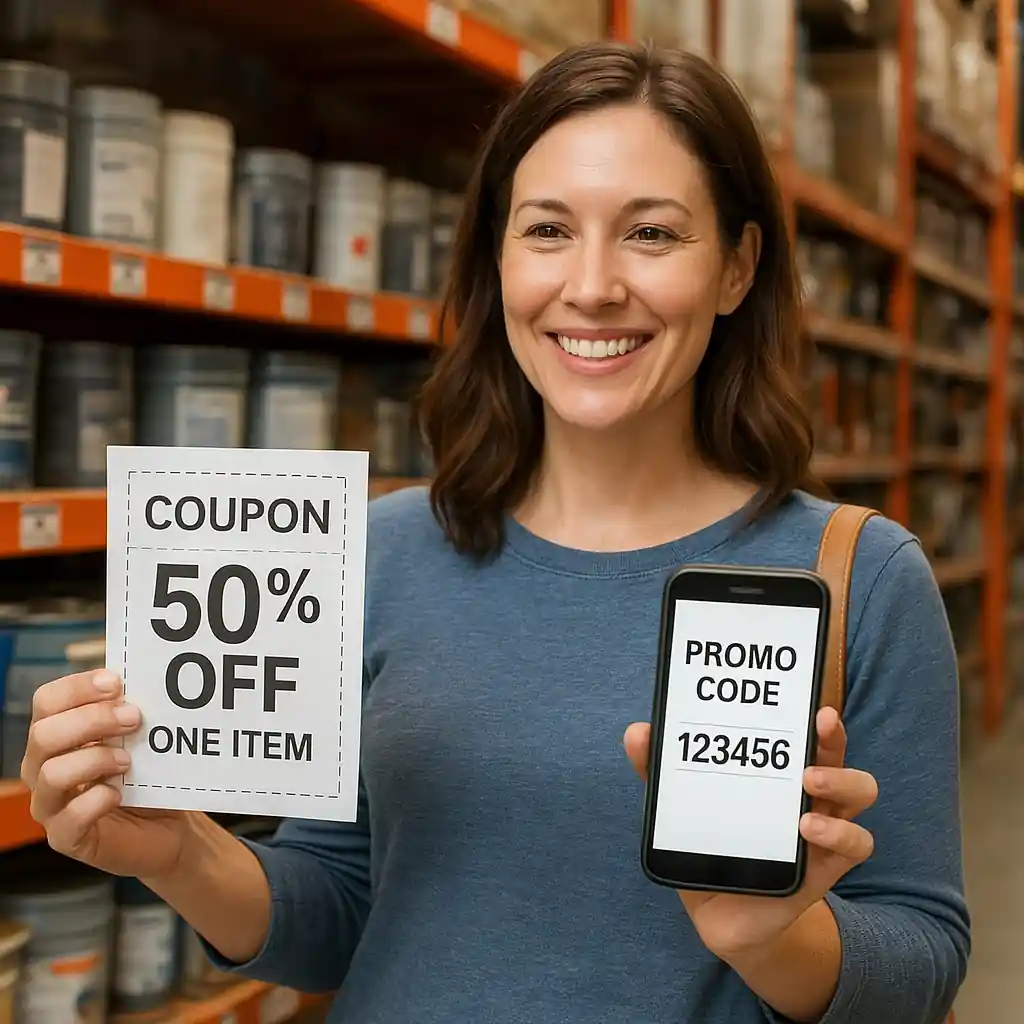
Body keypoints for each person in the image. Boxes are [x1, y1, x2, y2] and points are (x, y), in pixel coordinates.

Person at [20, 41, 968, 1024]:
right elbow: (337, 917)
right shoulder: (381, 554)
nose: (592, 285)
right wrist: (179, 850)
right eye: (548, 229)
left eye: (651, 234)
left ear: (735, 267)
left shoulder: (858, 574)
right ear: (497, 258)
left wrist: (778, 936)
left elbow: (925, 954)